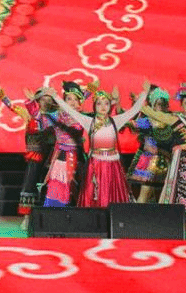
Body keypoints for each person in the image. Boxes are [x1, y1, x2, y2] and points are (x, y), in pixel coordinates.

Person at [47, 80, 150, 208]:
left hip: (113, 166)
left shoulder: (116, 121)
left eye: (106, 103)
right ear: (95, 106)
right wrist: (55, 96)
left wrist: (145, 93)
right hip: (95, 165)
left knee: (112, 196)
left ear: (110, 106)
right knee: (95, 195)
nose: (103, 106)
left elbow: (133, 111)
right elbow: (70, 110)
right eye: (99, 103)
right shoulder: (88, 121)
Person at [141, 82, 186, 233]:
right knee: (177, 190)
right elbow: (150, 112)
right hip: (180, 161)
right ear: (181, 105)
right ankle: (173, 224)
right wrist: (144, 95)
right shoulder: (174, 119)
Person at [0, 85, 55, 229]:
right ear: (37, 101)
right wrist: (2, 96)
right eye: (43, 99)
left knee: (48, 186)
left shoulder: (55, 116)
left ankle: (47, 217)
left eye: (49, 99)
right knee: (30, 184)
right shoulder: (29, 115)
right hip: (35, 156)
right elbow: (13, 107)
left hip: (51, 156)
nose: (46, 101)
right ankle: (27, 217)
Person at [40, 81, 87, 207]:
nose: (72, 102)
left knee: (75, 185)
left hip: (77, 157)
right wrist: (41, 103)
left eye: (76, 99)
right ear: (64, 101)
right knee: (58, 182)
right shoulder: (57, 115)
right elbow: (41, 121)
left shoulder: (83, 117)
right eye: (69, 99)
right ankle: (54, 211)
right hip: (61, 155)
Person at [125, 86, 173, 203]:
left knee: (163, 198)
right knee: (144, 195)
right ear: (153, 105)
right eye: (158, 104)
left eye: (164, 104)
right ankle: (137, 214)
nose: (161, 107)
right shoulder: (148, 121)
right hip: (149, 162)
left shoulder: (171, 121)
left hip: (166, 162)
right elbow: (131, 124)